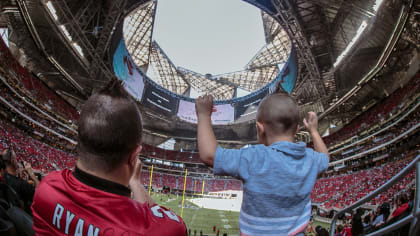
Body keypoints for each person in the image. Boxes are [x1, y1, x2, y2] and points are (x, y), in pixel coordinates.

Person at [31, 81, 187, 235]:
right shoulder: (167, 230)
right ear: (134, 156)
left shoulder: (47, 188)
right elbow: (163, 225)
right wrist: (135, 183)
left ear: (80, 139)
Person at [195, 93, 330, 235]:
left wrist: (204, 115)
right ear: (297, 129)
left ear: (260, 128)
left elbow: (209, 155)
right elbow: (325, 158)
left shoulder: (254, 157)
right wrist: (314, 131)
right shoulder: (310, 158)